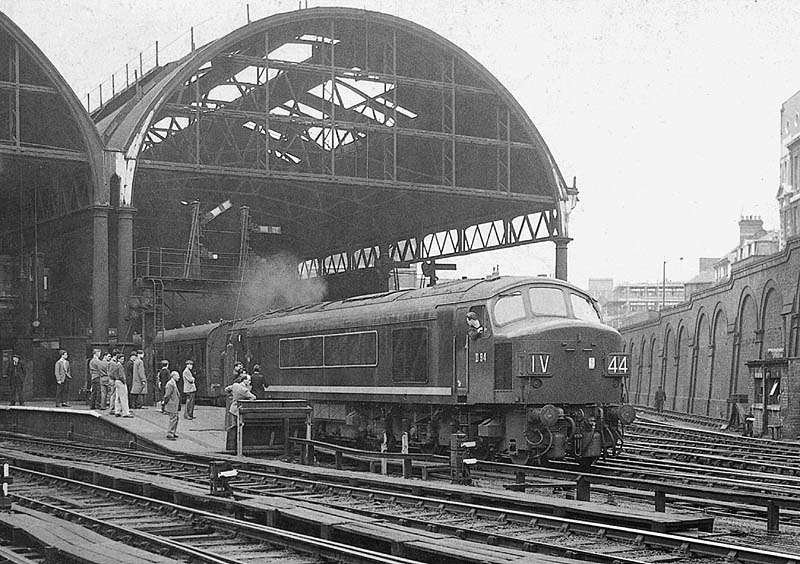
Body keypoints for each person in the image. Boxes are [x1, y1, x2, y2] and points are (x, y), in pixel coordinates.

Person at [225, 373, 255, 449]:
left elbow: (227, 389)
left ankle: (231, 446)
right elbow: (253, 397)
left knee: (233, 427)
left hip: (232, 409)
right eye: (248, 380)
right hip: (239, 410)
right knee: (238, 428)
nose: (250, 382)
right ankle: (237, 446)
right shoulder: (244, 390)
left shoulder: (235, 385)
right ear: (244, 380)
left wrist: (231, 396)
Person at [110, 352, 133, 417]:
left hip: (116, 381)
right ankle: (126, 412)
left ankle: (117, 411)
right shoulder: (120, 366)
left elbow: (111, 374)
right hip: (121, 382)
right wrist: (124, 381)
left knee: (118, 397)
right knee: (124, 398)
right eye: (122, 359)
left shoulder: (114, 365)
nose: (123, 360)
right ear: (119, 359)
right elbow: (121, 375)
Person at [162, 370, 181, 440]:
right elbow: (167, 395)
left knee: (176, 418)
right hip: (171, 403)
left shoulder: (173, 383)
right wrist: (164, 402)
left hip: (174, 404)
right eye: (177, 376)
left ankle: (173, 432)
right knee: (173, 418)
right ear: (173, 376)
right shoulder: (170, 384)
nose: (179, 377)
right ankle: (170, 433)